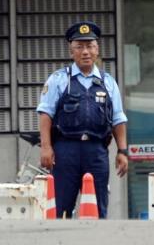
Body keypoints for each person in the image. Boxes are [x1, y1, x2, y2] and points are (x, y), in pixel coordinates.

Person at [37, 21, 128, 219]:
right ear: (71, 51)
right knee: (61, 207)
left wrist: (122, 150)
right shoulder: (59, 79)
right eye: (79, 47)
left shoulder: (108, 82)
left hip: (96, 152)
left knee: (98, 207)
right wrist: (46, 147)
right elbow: (46, 114)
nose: (85, 51)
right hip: (65, 151)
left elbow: (118, 119)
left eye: (89, 46)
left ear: (97, 50)